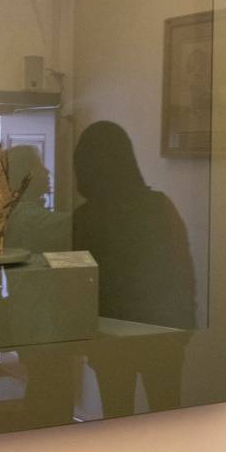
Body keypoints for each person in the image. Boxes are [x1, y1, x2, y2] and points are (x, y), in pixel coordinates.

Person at [72, 121, 196, 415]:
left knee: (117, 418)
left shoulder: (85, 218)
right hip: (161, 330)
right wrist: (184, 326)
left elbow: (80, 286)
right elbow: (183, 270)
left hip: (110, 336)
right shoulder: (159, 206)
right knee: (168, 417)